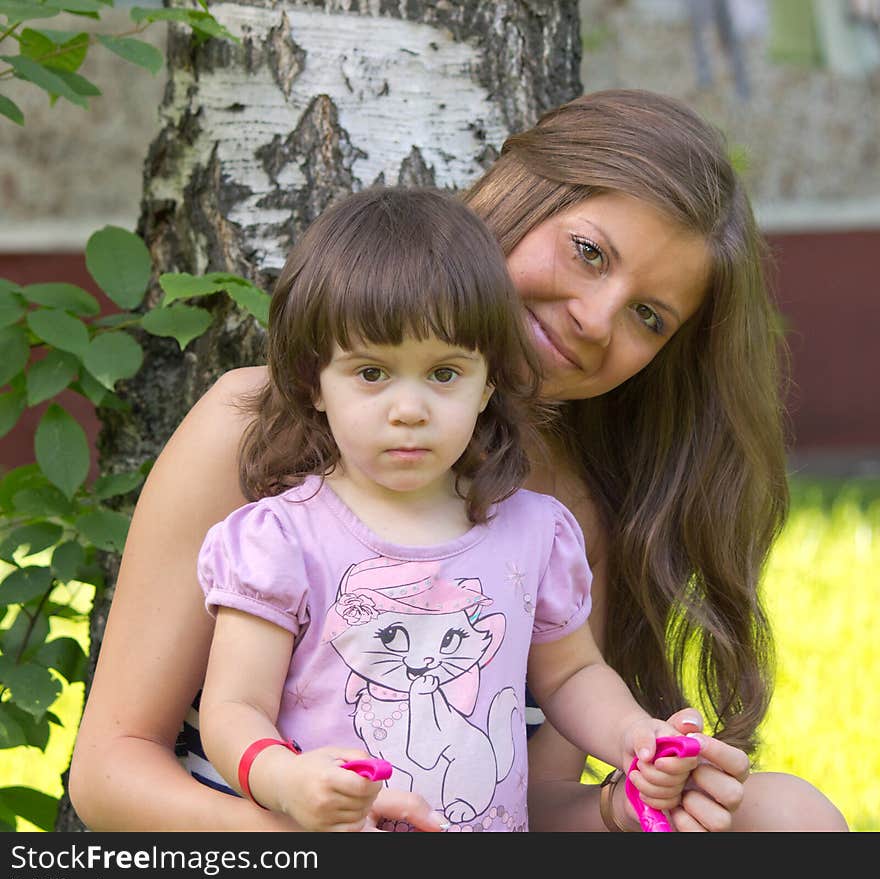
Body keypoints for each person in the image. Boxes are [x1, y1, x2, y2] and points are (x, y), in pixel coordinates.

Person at [69, 88, 848, 832]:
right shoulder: (254, 433)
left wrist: (624, 805)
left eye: (648, 316)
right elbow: (109, 772)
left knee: (786, 819)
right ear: (519, 191)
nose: (596, 318)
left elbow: (524, 807)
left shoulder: (557, 520)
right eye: (588, 252)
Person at [193, 186, 700, 832]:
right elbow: (233, 707)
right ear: (313, 382)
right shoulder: (283, 539)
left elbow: (573, 674)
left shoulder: (534, 533)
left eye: (444, 374)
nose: (409, 409)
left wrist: (636, 738)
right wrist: (287, 780)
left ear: (489, 380)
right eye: (372, 373)